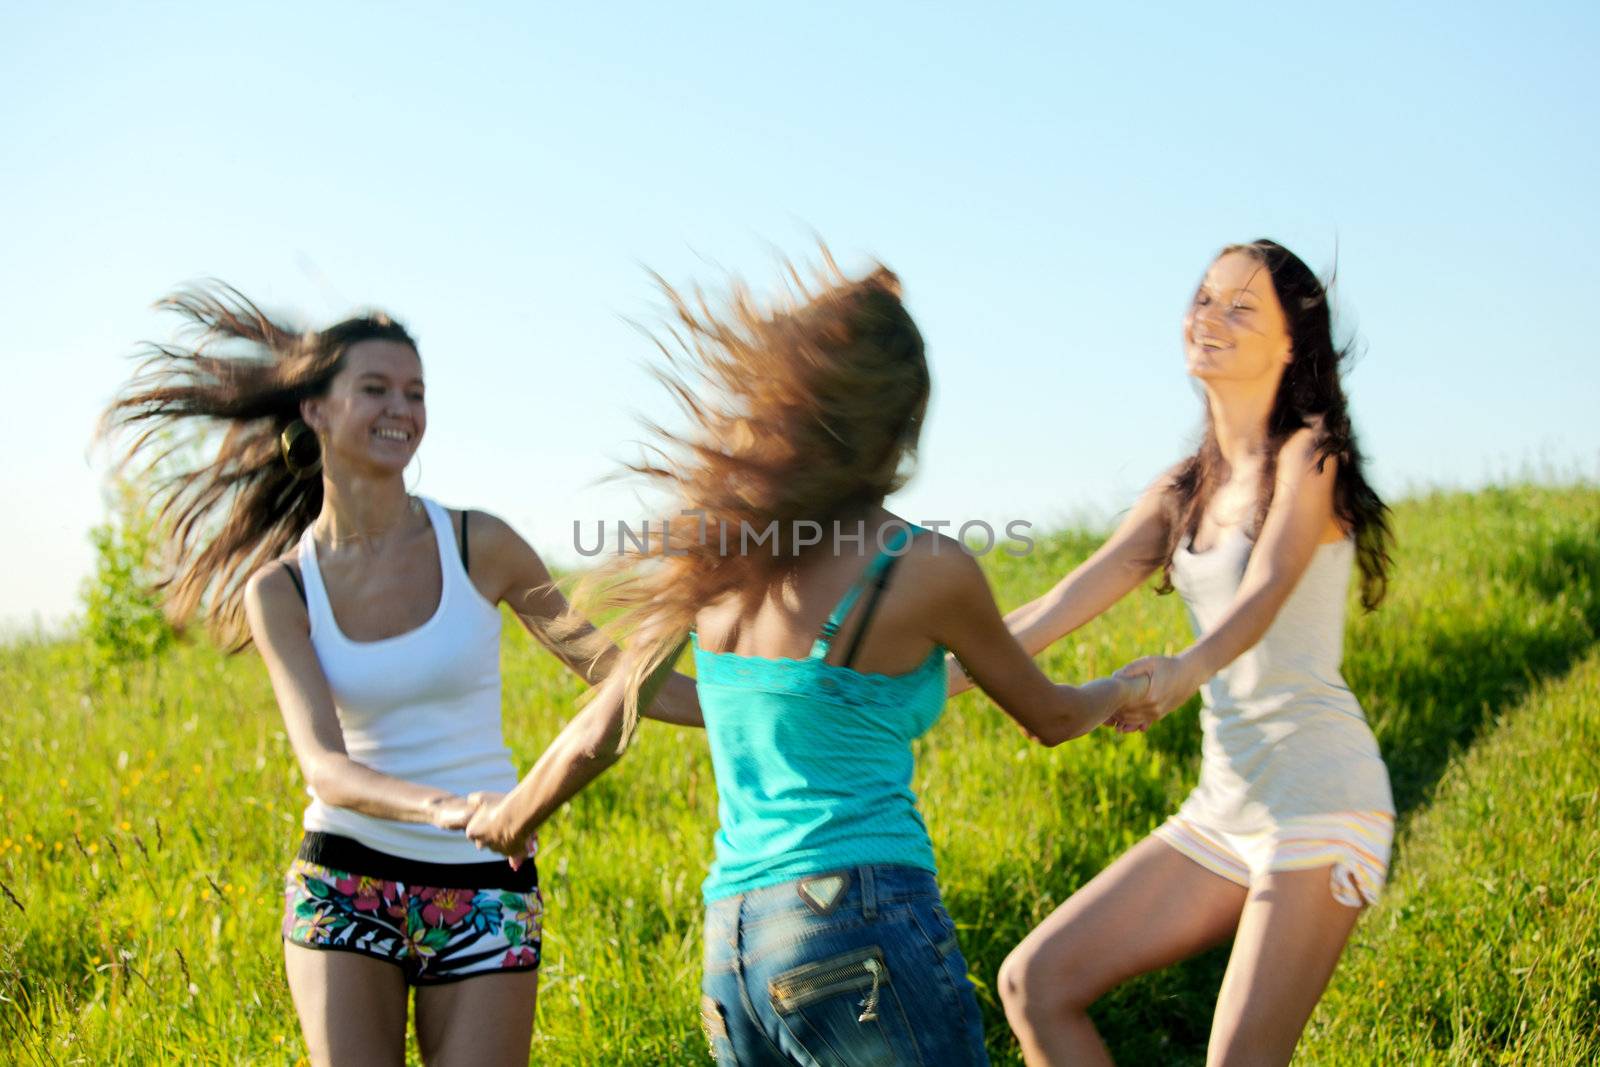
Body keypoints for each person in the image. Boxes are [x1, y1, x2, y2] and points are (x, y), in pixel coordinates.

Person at [461, 255, 1149, 1066]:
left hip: (736, 945)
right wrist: (1126, 687)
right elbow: (1054, 717)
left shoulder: (716, 548)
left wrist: (513, 816)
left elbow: (604, 726)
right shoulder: (922, 565)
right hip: (861, 916)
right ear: (898, 418)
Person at [100, 285, 699, 1066]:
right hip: (347, 879)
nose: (402, 409)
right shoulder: (282, 589)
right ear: (314, 409)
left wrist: (769, 701)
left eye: (415, 393)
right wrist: (455, 808)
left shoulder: (480, 544)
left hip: (486, 886)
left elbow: (616, 677)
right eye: (376, 388)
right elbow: (325, 767)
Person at [968, 240, 1395, 1066]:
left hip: (1318, 799)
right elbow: (1060, 602)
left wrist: (1184, 671)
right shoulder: (1181, 489)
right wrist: (935, 677)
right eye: (1204, 298)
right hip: (1225, 809)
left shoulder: (1309, 454)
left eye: (1242, 307)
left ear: (1289, 345)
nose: (1211, 317)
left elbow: (1267, 587)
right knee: (1035, 982)